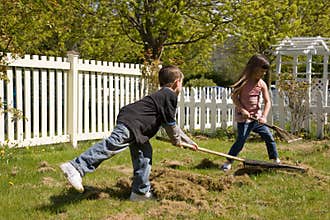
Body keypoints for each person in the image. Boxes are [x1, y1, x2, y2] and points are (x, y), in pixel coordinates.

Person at [60, 65, 198, 201]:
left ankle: (140, 193)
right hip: (133, 122)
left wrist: (189, 142)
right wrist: (176, 141)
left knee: (144, 155)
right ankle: (76, 167)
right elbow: (170, 125)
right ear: (177, 82)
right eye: (182, 83)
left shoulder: (162, 95)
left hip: (138, 129)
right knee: (113, 144)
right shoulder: (169, 95)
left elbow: (172, 126)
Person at [221, 54, 280, 171]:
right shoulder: (243, 81)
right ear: (254, 68)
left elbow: (268, 102)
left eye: (265, 73)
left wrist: (264, 117)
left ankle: (275, 159)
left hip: (257, 119)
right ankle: (228, 161)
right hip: (244, 119)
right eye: (262, 72)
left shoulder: (261, 83)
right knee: (241, 140)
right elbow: (234, 97)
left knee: (269, 136)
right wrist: (242, 109)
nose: (263, 74)